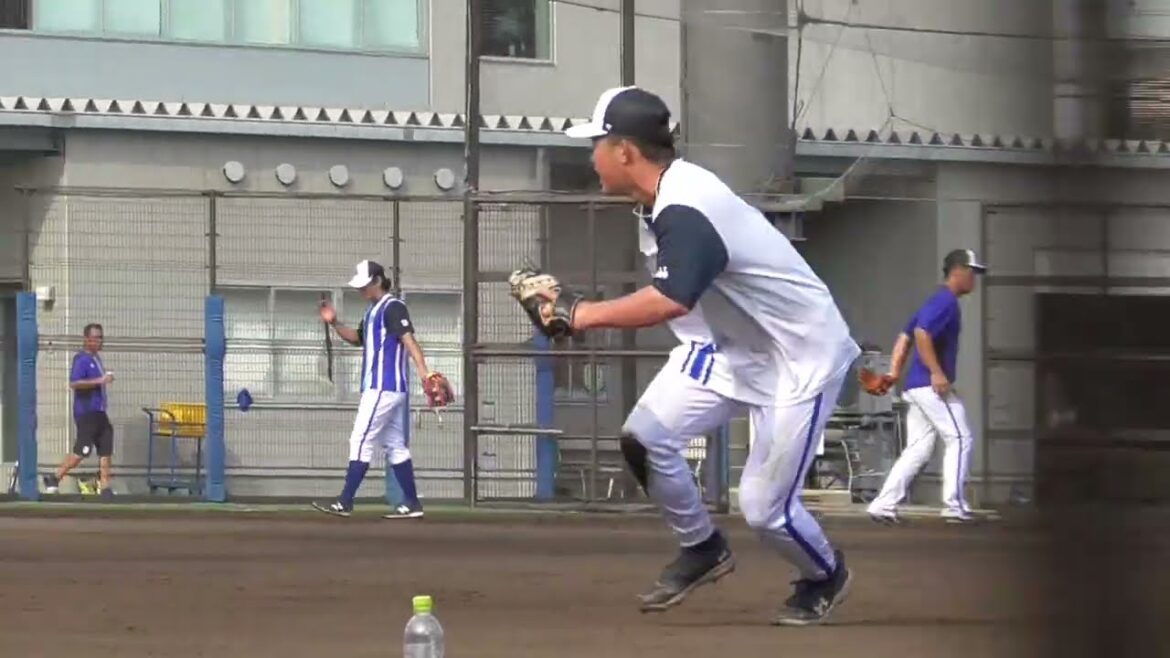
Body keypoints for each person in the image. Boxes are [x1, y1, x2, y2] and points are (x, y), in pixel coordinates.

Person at [520, 86, 862, 625]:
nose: (592, 156)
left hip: (801, 355)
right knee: (645, 439)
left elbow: (669, 298)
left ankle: (825, 574)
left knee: (764, 510)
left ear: (625, 151)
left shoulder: (687, 204)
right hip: (730, 347)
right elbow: (686, 300)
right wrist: (570, 309)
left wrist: (579, 313)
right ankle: (702, 547)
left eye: (597, 143)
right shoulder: (656, 202)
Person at [312, 260, 452, 519]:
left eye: (365, 285)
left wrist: (425, 374)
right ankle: (412, 503)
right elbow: (357, 338)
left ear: (377, 281)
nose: (361, 290)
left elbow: (409, 340)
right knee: (395, 445)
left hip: (383, 387)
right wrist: (333, 322)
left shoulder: (392, 307)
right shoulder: (373, 311)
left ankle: (345, 501)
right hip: (388, 390)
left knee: (360, 439)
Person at [866, 249, 986, 524]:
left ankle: (883, 504)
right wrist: (936, 373)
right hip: (929, 386)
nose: (974, 279)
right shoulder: (946, 302)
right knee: (960, 437)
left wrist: (894, 372)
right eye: (973, 272)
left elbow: (904, 336)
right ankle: (954, 506)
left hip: (917, 387)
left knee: (918, 449)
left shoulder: (934, 302)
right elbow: (921, 334)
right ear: (959, 271)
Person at [43, 323, 115, 499]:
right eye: (95, 337)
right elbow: (74, 383)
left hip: (99, 412)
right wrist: (100, 380)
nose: (99, 341)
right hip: (86, 413)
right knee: (82, 451)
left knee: (106, 446)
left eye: (100, 337)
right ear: (86, 339)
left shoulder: (96, 359)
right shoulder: (81, 359)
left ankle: (105, 487)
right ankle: (55, 477)